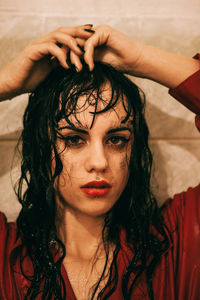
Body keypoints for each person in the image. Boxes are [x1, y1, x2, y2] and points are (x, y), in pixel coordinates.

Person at [0, 24, 199, 300]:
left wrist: (140, 58)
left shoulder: (178, 244)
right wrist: (7, 82)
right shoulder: (5, 260)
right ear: (42, 148)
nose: (99, 162)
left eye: (116, 140)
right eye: (73, 139)